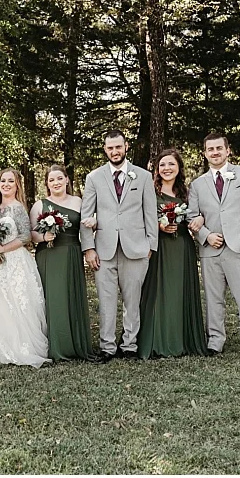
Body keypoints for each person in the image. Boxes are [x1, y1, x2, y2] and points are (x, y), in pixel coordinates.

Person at [81, 129, 158, 359]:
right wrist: (88, 248)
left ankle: (129, 346)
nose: (114, 151)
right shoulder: (94, 177)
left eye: (118, 146)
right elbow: (87, 214)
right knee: (106, 300)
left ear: (126, 147)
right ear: (105, 150)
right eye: (110, 147)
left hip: (136, 248)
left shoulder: (142, 176)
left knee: (132, 300)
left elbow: (150, 214)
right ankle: (107, 347)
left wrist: (150, 246)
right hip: (103, 249)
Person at [189, 131, 240, 356]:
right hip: (210, 251)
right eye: (210, 149)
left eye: (218, 148)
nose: (215, 152)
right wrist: (205, 236)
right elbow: (191, 216)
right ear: (205, 153)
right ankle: (215, 342)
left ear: (227, 150)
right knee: (214, 300)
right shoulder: (197, 184)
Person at [0, 169, 50, 367]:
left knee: (18, 301)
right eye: (3, 181)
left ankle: (20, 346)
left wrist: (3, 248)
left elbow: (25, 236)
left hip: (15, 261)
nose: (6, 184)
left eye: (10, 181)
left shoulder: (19, 208)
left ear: (17, 185)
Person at [138, 149, 209, 360]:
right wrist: (158, 225)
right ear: (156, 169)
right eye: (162, 165)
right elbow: (139, 216)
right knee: (159, 290)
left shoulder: (188, 193)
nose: (166, 168)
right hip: (159, 247)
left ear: (179, 168)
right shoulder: (149, 191)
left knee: (180, 289)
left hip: (182, 247)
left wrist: (202, 220)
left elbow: (199, 214)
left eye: (171, 164)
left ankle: (183, 338)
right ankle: (158, 339)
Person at [30, 164, 95, 361]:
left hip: (72, 253)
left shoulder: (78, 201)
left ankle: (75, 343)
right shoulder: (40, 205)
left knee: (71, 296)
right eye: (51, 180)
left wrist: (95, 222)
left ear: (67, 180)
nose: (56, 183)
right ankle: (56, 345)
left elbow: (88, 224)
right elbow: (31, 234)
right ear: (47, 184)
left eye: (59, 178)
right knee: (54, 299)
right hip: (49, 255)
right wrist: (44, 237)